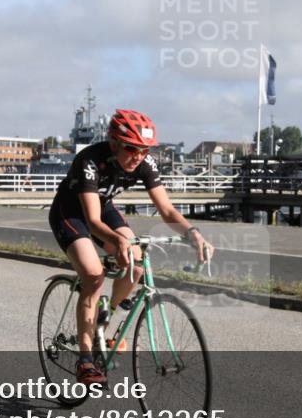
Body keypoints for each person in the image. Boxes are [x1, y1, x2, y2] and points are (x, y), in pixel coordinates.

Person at [49, 109, 214, 385]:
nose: (138, 156)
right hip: (72, 213)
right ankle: (86, 360)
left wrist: (193, 233)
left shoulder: (143, 162)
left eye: (144, 150)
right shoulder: (90, 160)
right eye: (131, 149)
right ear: (113, 143)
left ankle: (106, 316)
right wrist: (117, 241)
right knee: (93, 275)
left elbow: (167, 210)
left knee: (136, 264)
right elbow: (91, 220)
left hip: (104, 208)